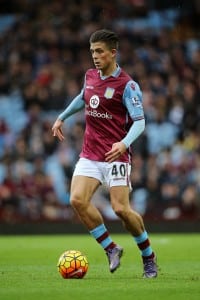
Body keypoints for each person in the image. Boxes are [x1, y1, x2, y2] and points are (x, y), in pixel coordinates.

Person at [52, 29, 158, 278]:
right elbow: (83, 98)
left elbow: (140, 122)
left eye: (99, 51)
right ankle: (111, 248)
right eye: (92, 52)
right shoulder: (90, 76)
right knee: (77, 200)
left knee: (121, 209)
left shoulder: (127, 85)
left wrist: (123, 143)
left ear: (113, 53)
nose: (95, 56)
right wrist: (62, 117)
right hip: (90, 153)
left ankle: (148, 257)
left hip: (116, 156)